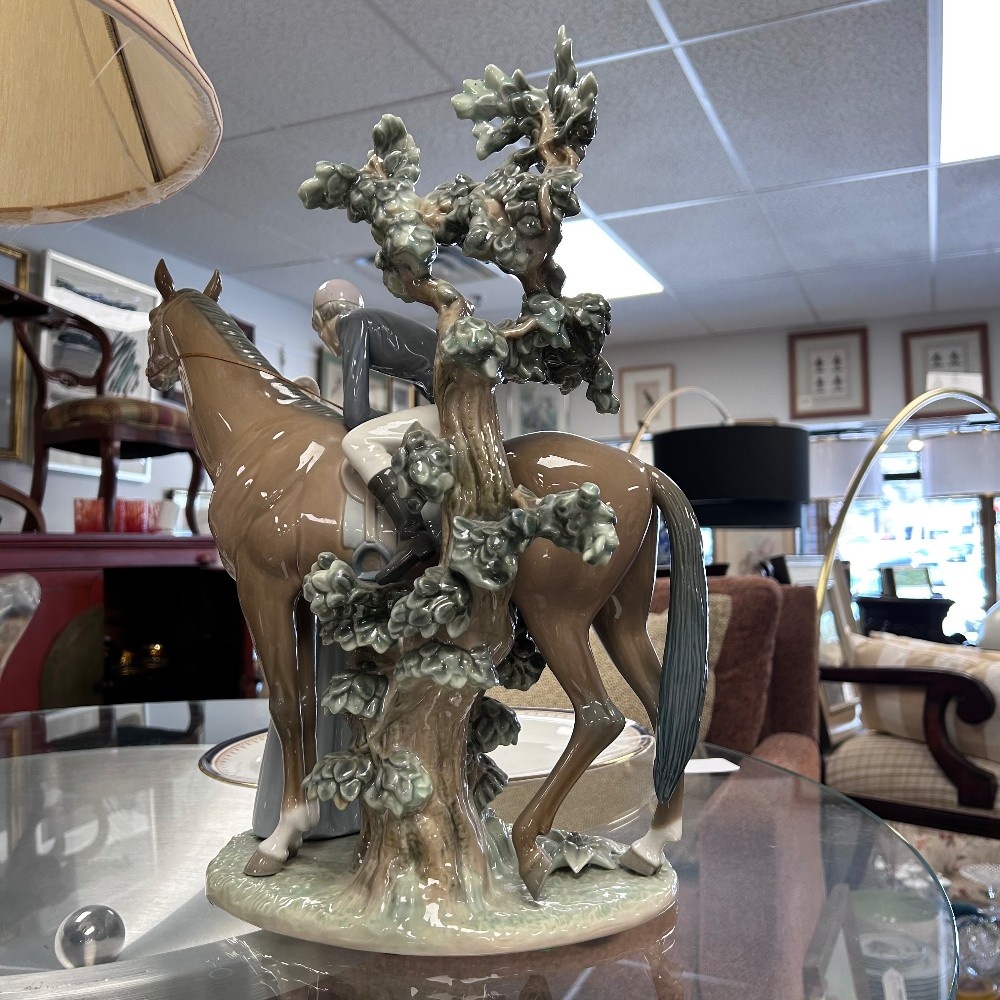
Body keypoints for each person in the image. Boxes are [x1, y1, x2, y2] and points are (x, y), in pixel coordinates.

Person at [311, 279, 441, 582]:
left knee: (357, 441)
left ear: (320, 321)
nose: (328, 343)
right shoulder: (368, 321)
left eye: (320, 334)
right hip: (454, 400)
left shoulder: (351, 323)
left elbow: (355, 416)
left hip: (455, 404)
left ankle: (413, 531)